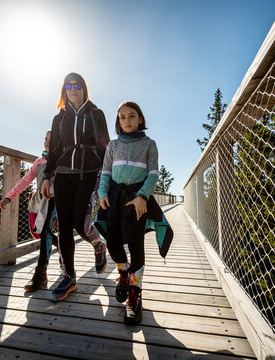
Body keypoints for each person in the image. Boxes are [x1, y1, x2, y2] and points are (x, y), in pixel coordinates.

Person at [96, 101, 172, 325]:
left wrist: (142, 197)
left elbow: (153, 173)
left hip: (137, 199)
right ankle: (123, 273)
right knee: (113, 242)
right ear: (118, 122)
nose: (127, 120)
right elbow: (106, 171)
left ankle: (135, 292)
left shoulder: (149, 144)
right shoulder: (113, 144)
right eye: (122, 117)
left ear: (140, 119)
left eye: (131, 116)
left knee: (136, 243)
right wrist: (102, 192)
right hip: (114, 197)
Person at [41, 72, 110, 302]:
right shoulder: (59, 117)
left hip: (88, 174)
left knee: (81, 222)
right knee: (64, 226)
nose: (73, 89)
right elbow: (54, 150)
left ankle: (98, 246)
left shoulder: (96, 114)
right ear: (64, 90)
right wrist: (47, 177)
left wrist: (109, 177)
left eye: (77, 84)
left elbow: (105, 146)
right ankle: (69, 276)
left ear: (84, 88)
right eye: (69, 85)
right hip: (63, 176)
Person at [0, 131, 57, 292]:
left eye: (51, 140)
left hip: (56, 199)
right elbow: (25, 181)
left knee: (45, 229)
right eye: (45, 139)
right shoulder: (38, 162)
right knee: (39, 231)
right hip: (41, 200)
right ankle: (60, 248)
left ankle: (41, 272)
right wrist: (9, 197)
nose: (47, 142)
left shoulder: (60, 160)